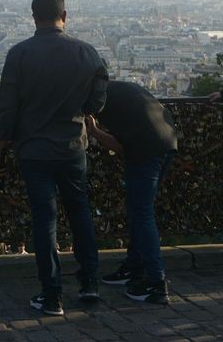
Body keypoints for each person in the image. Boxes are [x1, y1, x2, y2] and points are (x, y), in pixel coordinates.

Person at [0, 0, 108, 317]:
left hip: (33, 148)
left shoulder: (19, 54)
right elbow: (97, 103)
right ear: (65, 16)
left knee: (45, 220)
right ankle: (89, 282)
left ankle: (51, 294)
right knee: (80, 212)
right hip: (73, 146)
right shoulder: (87, 53)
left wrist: (2, 143)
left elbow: (8, 106)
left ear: (33, 17)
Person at [86, 81, 178, 304]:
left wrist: (94, 131)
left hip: (145, 150)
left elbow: (120, 147)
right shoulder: (118, 88)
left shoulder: (97, 99)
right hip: (167, 141)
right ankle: (134, 266)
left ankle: (156, 283)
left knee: (142, 214)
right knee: (141, 212)